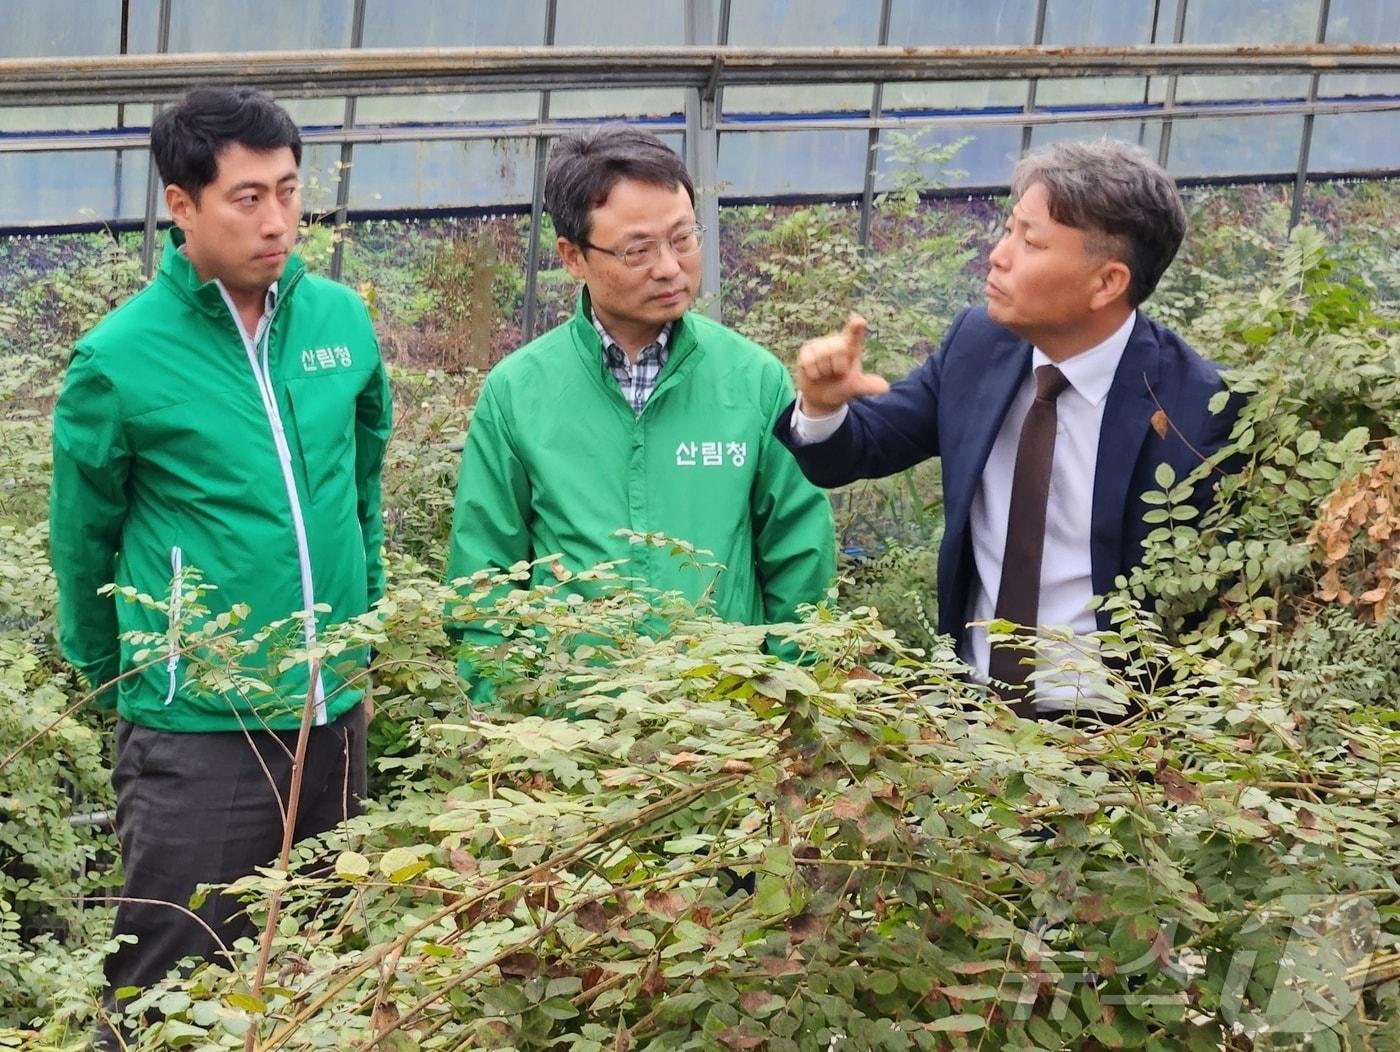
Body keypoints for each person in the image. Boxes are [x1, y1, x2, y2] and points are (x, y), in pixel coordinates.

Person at [49, 87, 391, 1036]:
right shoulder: (120, 359)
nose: (277, 220)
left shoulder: (339, 323)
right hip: (200, 720)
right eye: (247, 197)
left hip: (334, 708)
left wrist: (360, 633)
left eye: (288, 190)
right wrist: (118, 672)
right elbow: (82, 539)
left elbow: (360, 486)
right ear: (182, 203)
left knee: (320, 960)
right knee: (172, 969)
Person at [776, 138, 1240, 717]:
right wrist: (821, 405)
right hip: (973, 709)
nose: (999, 256)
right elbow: (854, 451)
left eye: (1031, 241)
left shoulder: (1199, 412)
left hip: (1121, 733)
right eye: (1008, 229)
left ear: (1107, 283)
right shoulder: (981, 344)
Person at [445, 126, 833, 695]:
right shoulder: (519, 393)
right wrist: (510, 731)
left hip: (727, 734)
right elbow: (485, 584)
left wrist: (791, 706)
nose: (671, 268)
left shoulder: (753, 381)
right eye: (638, 250)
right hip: (571, 740)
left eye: (682, 239)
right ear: (573, 257)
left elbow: (799, 562)